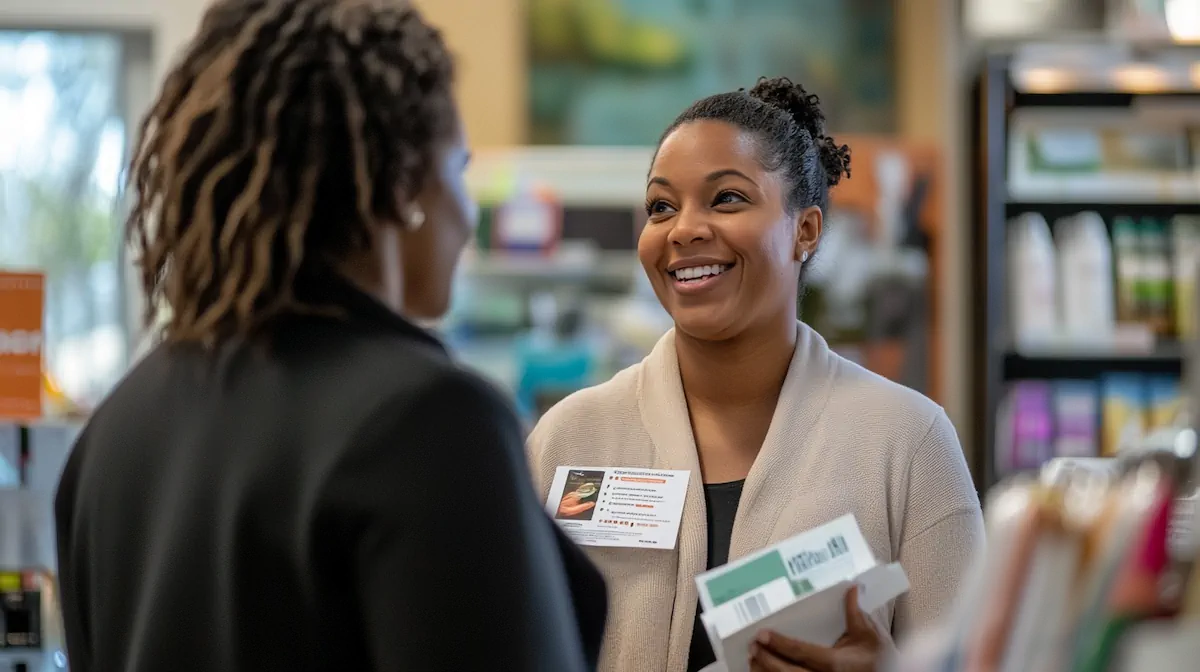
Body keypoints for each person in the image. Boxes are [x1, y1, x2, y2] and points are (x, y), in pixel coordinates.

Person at [53, 1, 606, 671]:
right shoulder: (428, 423)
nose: (466, 214)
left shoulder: (116, 430)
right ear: (404, 181)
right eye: (458, 169)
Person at [526, 77, 984, 672]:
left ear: (806, 230)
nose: (684, 229)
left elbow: (974, 659)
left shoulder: (908, 442)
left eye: (726, 199)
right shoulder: (570, 438)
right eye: (661, 206)